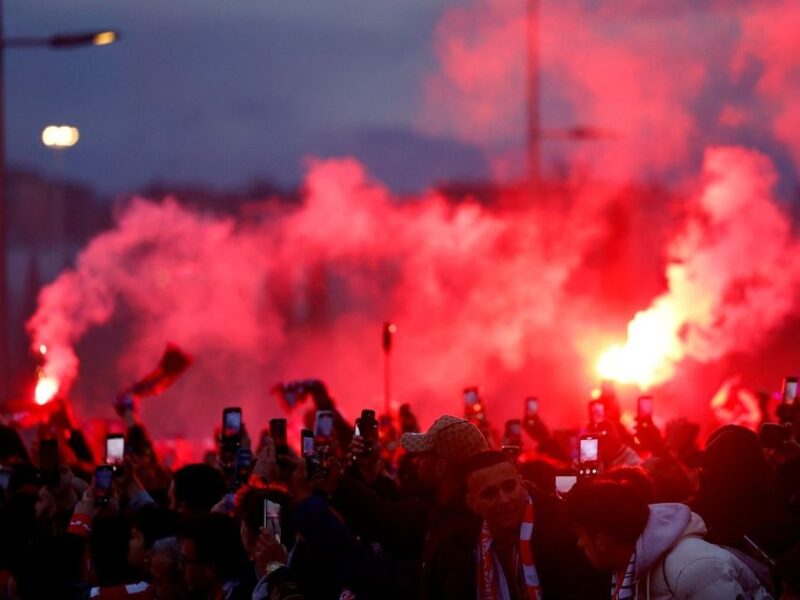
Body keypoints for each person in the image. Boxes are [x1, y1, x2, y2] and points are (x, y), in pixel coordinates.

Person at [566, 479, 772, 599]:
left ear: (601, 539)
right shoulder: (631, 567)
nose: (580, 544)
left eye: (581, 535)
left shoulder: (692, 566)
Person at [453, 450, 608, 599]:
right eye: (490, 493)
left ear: (521, 484)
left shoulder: (563, 527)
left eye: (509, 487)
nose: (504, 500)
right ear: (472, 504)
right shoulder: (462, 546)